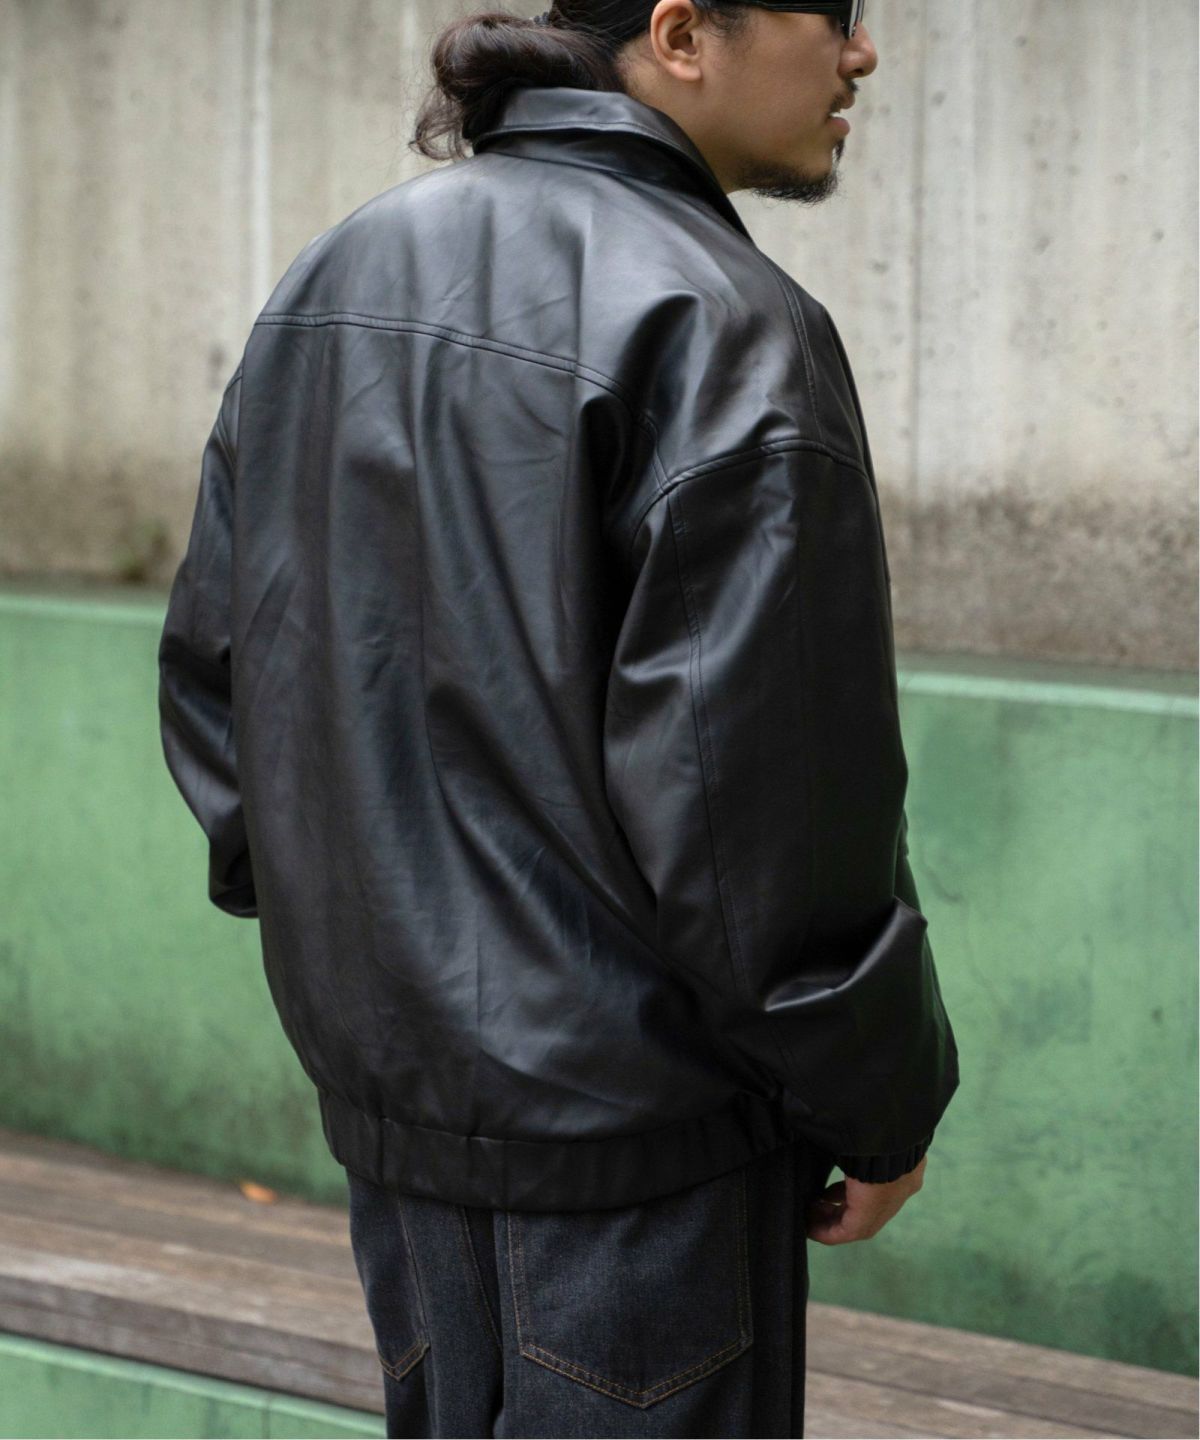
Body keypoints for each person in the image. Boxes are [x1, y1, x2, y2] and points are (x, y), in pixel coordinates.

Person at [157, 1, 961, 1435]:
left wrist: (373, 973)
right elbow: (766, 824)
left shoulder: (337, 274)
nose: (863, 54)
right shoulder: (726, 322)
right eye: (832, 14)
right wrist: (882, 1106)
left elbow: (223, 673)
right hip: (646, 1159)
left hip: (404, 1136)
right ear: (681, 31)